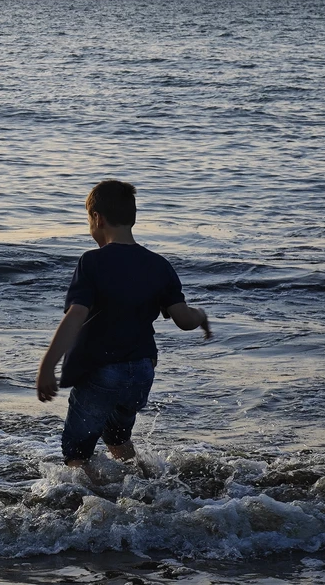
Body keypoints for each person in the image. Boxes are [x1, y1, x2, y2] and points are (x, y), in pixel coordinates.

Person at [36, 181, 210, 469]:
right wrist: (201, 316)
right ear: (132, 218)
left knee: (76, 450)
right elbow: (183, 318)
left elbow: (76, 315)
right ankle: (144, 486)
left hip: (102, 372)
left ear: (97, 219)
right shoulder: (159, 265)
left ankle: (92, 503)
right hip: (141, 373)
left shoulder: (92, 262)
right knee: (117, 438)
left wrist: (47, 367)